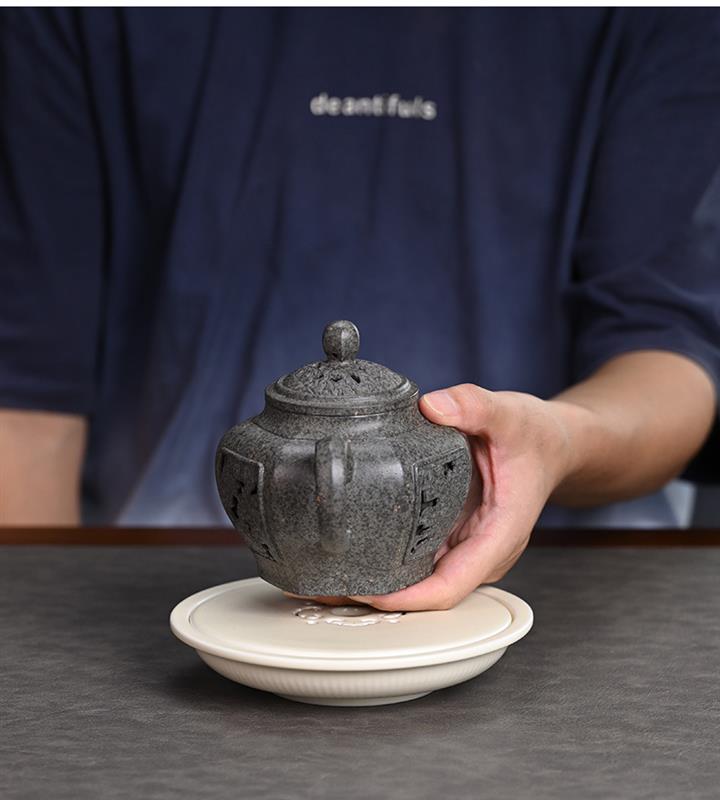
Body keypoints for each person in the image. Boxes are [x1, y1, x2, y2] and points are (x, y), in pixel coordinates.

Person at [1, 8, 719, 611]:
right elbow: (25, 397)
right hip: (169, 593)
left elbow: (671, 352)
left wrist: (555, 440)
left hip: (568, 596)